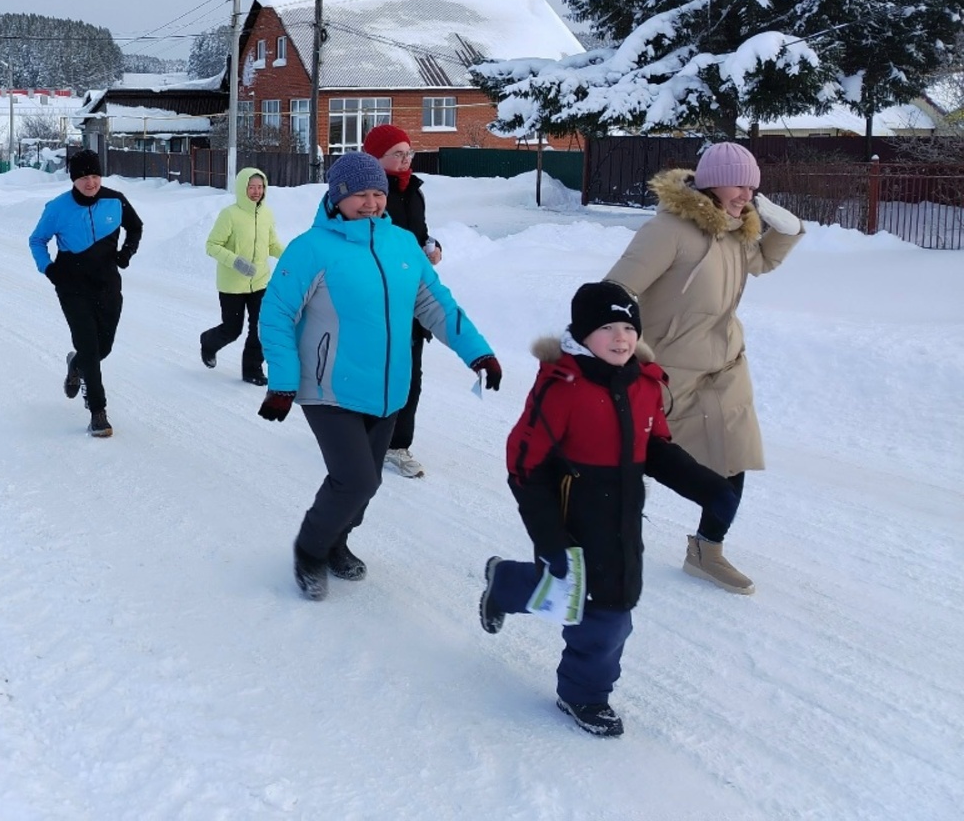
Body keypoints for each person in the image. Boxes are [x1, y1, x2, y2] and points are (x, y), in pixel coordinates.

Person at [479, 281, 739, 738]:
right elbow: (524, 466)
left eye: (627, 327)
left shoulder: (644, 384)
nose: (621, 338)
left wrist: (706, 487)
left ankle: (504, 582)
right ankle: (584, 694)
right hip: (568, 515)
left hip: (619, 515)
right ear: (581, 335)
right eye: (606, 328)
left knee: (581, 595)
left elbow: (654, 448)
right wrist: (550, 536)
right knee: (602, 613)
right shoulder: (562, 387)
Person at [258, 151, 501, 601]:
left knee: (366, 482)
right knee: (357, 479)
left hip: (389, 389)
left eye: (377, 193)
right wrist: (283, 383)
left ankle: (337, 542)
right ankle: (310, 550)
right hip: (327, 388)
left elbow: (436, 305)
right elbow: (276, 314)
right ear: (337, 196)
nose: (371, 203)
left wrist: (478, 353)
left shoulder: (403, 244)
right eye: (360, 195)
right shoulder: (311, 249)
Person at [604, 142, 804, 594]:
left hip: (725, 365)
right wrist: (621, 352)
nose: (747, 195)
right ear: (712, 182)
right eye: (739, 184)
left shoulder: (735, 232)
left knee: (734, 456)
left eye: (753, 186)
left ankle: (706, 550)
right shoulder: (668, 231)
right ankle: (614, 529)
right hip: (667, 372)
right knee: (643, 458)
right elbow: (616, 290)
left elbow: (764, 261)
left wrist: (786, 231)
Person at [28, 149, 143, 438]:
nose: (91, 182)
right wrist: (50, 270)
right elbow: (37, 240)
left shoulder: (115, 200)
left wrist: (126, 253)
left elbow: (136, 227)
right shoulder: (57, 208)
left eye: (95, 176)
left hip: (107, 283)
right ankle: (97, 412)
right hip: (72, 285)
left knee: (103, 348)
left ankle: (75, 363)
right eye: (84, 177)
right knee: (90, 348)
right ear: (73, 179)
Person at [362, 124, 443, 480]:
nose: (406, 159)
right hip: (377, 299)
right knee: (374, 371)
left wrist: (432, 248)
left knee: (411, 374)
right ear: (376, 158)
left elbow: (420, 235)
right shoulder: (366, 194)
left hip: (413, 297)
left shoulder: (415, 192)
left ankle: (397, 444)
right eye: (397, 153)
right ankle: (362, 435)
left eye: (408, 152)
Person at [199, 166, 285, 385]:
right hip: (232, 284)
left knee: (261, 327)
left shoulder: (267, 213)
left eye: (260, 187)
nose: (256, 191)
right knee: (232, 329)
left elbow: (272, 243)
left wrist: (290, 257)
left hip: (260, 281)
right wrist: (236, 262)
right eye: (251, 187)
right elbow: (212, 245)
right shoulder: (230, 214)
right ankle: (209, 342)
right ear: (242, 188)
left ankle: (252, 370)